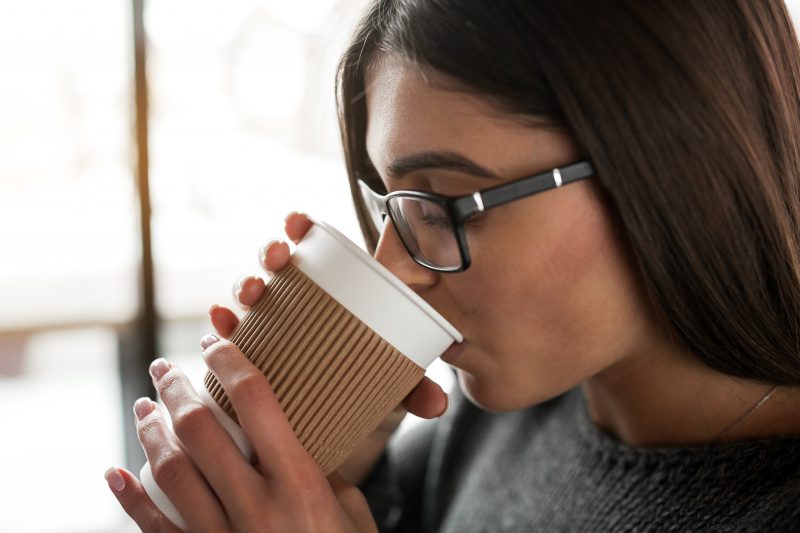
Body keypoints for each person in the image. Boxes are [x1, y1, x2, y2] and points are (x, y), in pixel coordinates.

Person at [105, 0, 800, 530]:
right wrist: (341, 465)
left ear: (670, 168)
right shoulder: (501, 418)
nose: (397, 267)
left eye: (442, 205)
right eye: (392, 205)